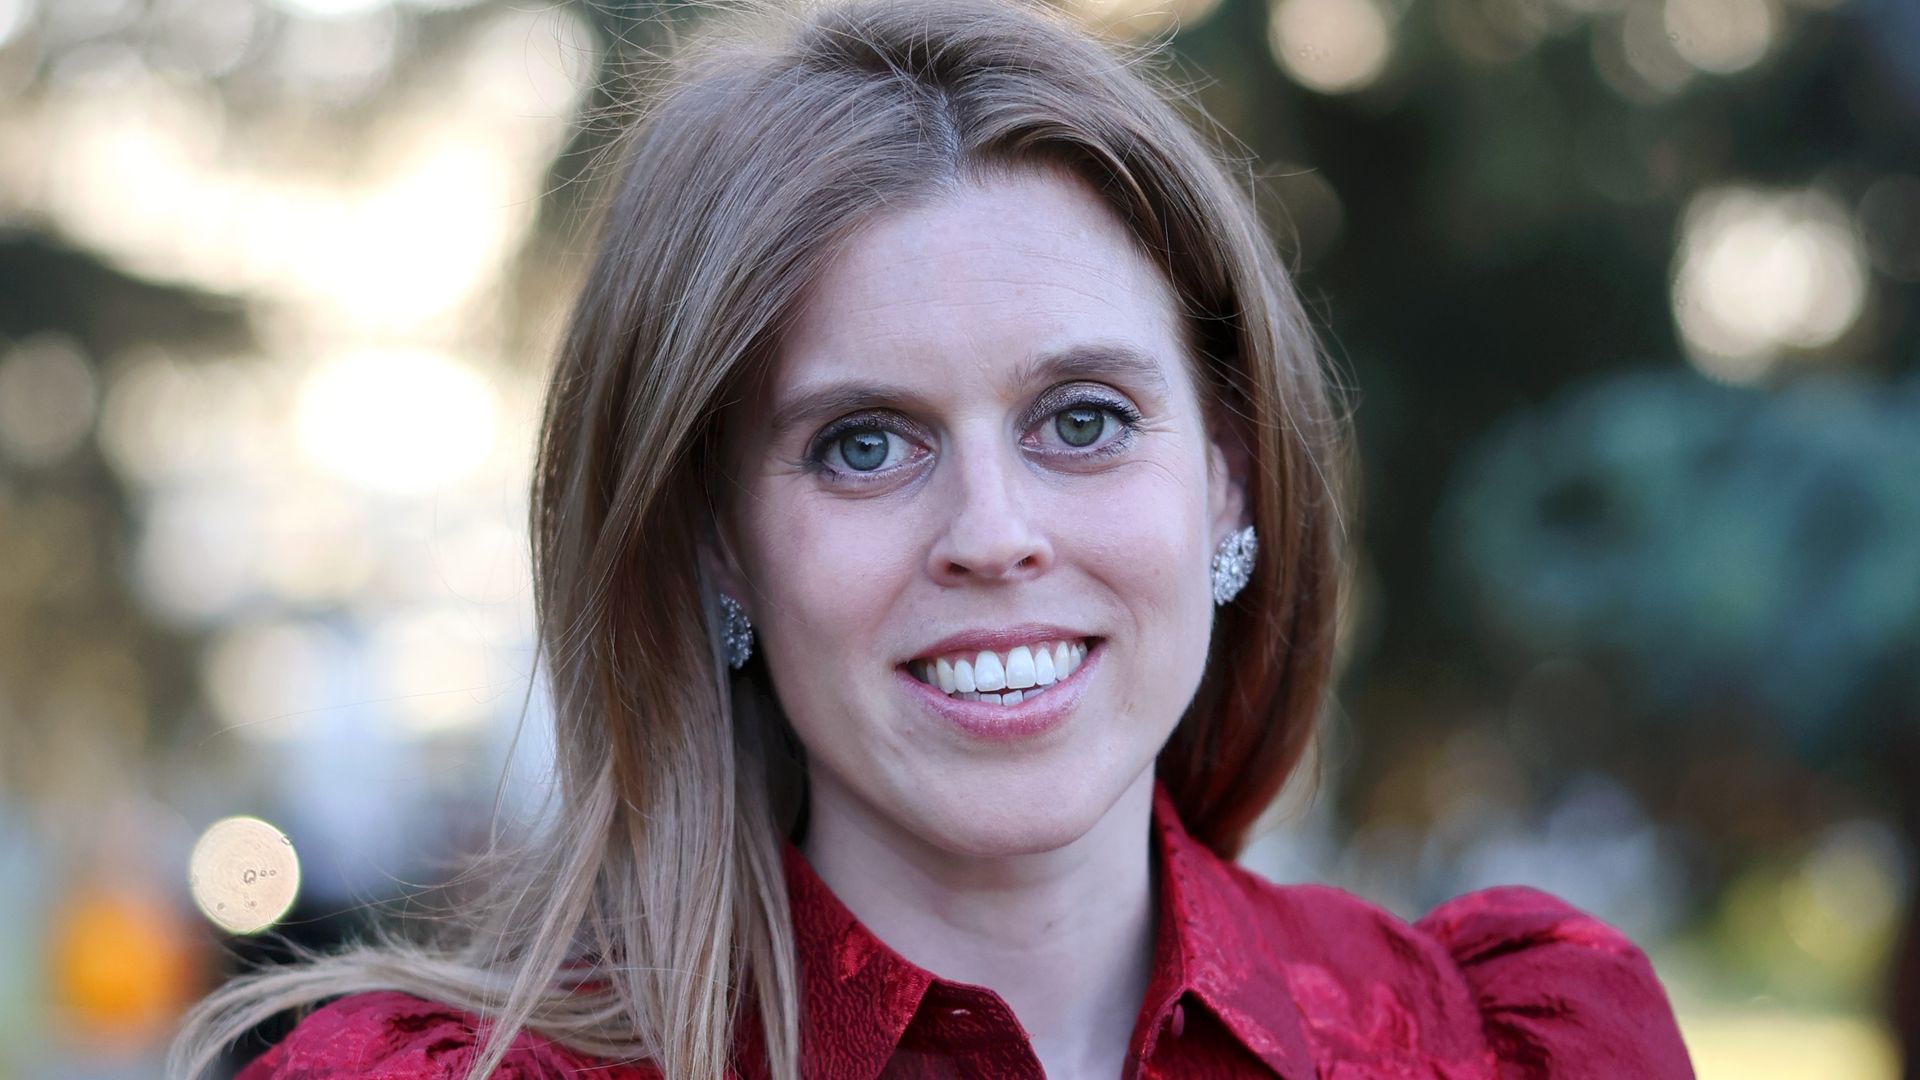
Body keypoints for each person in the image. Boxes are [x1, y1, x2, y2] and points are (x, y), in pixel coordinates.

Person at [169, 0, 1696, 1077]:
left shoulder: (1501, 1050)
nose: (994, 534)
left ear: (1228, 483)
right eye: (864, 444)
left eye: (1083, 420)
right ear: (716, 551)